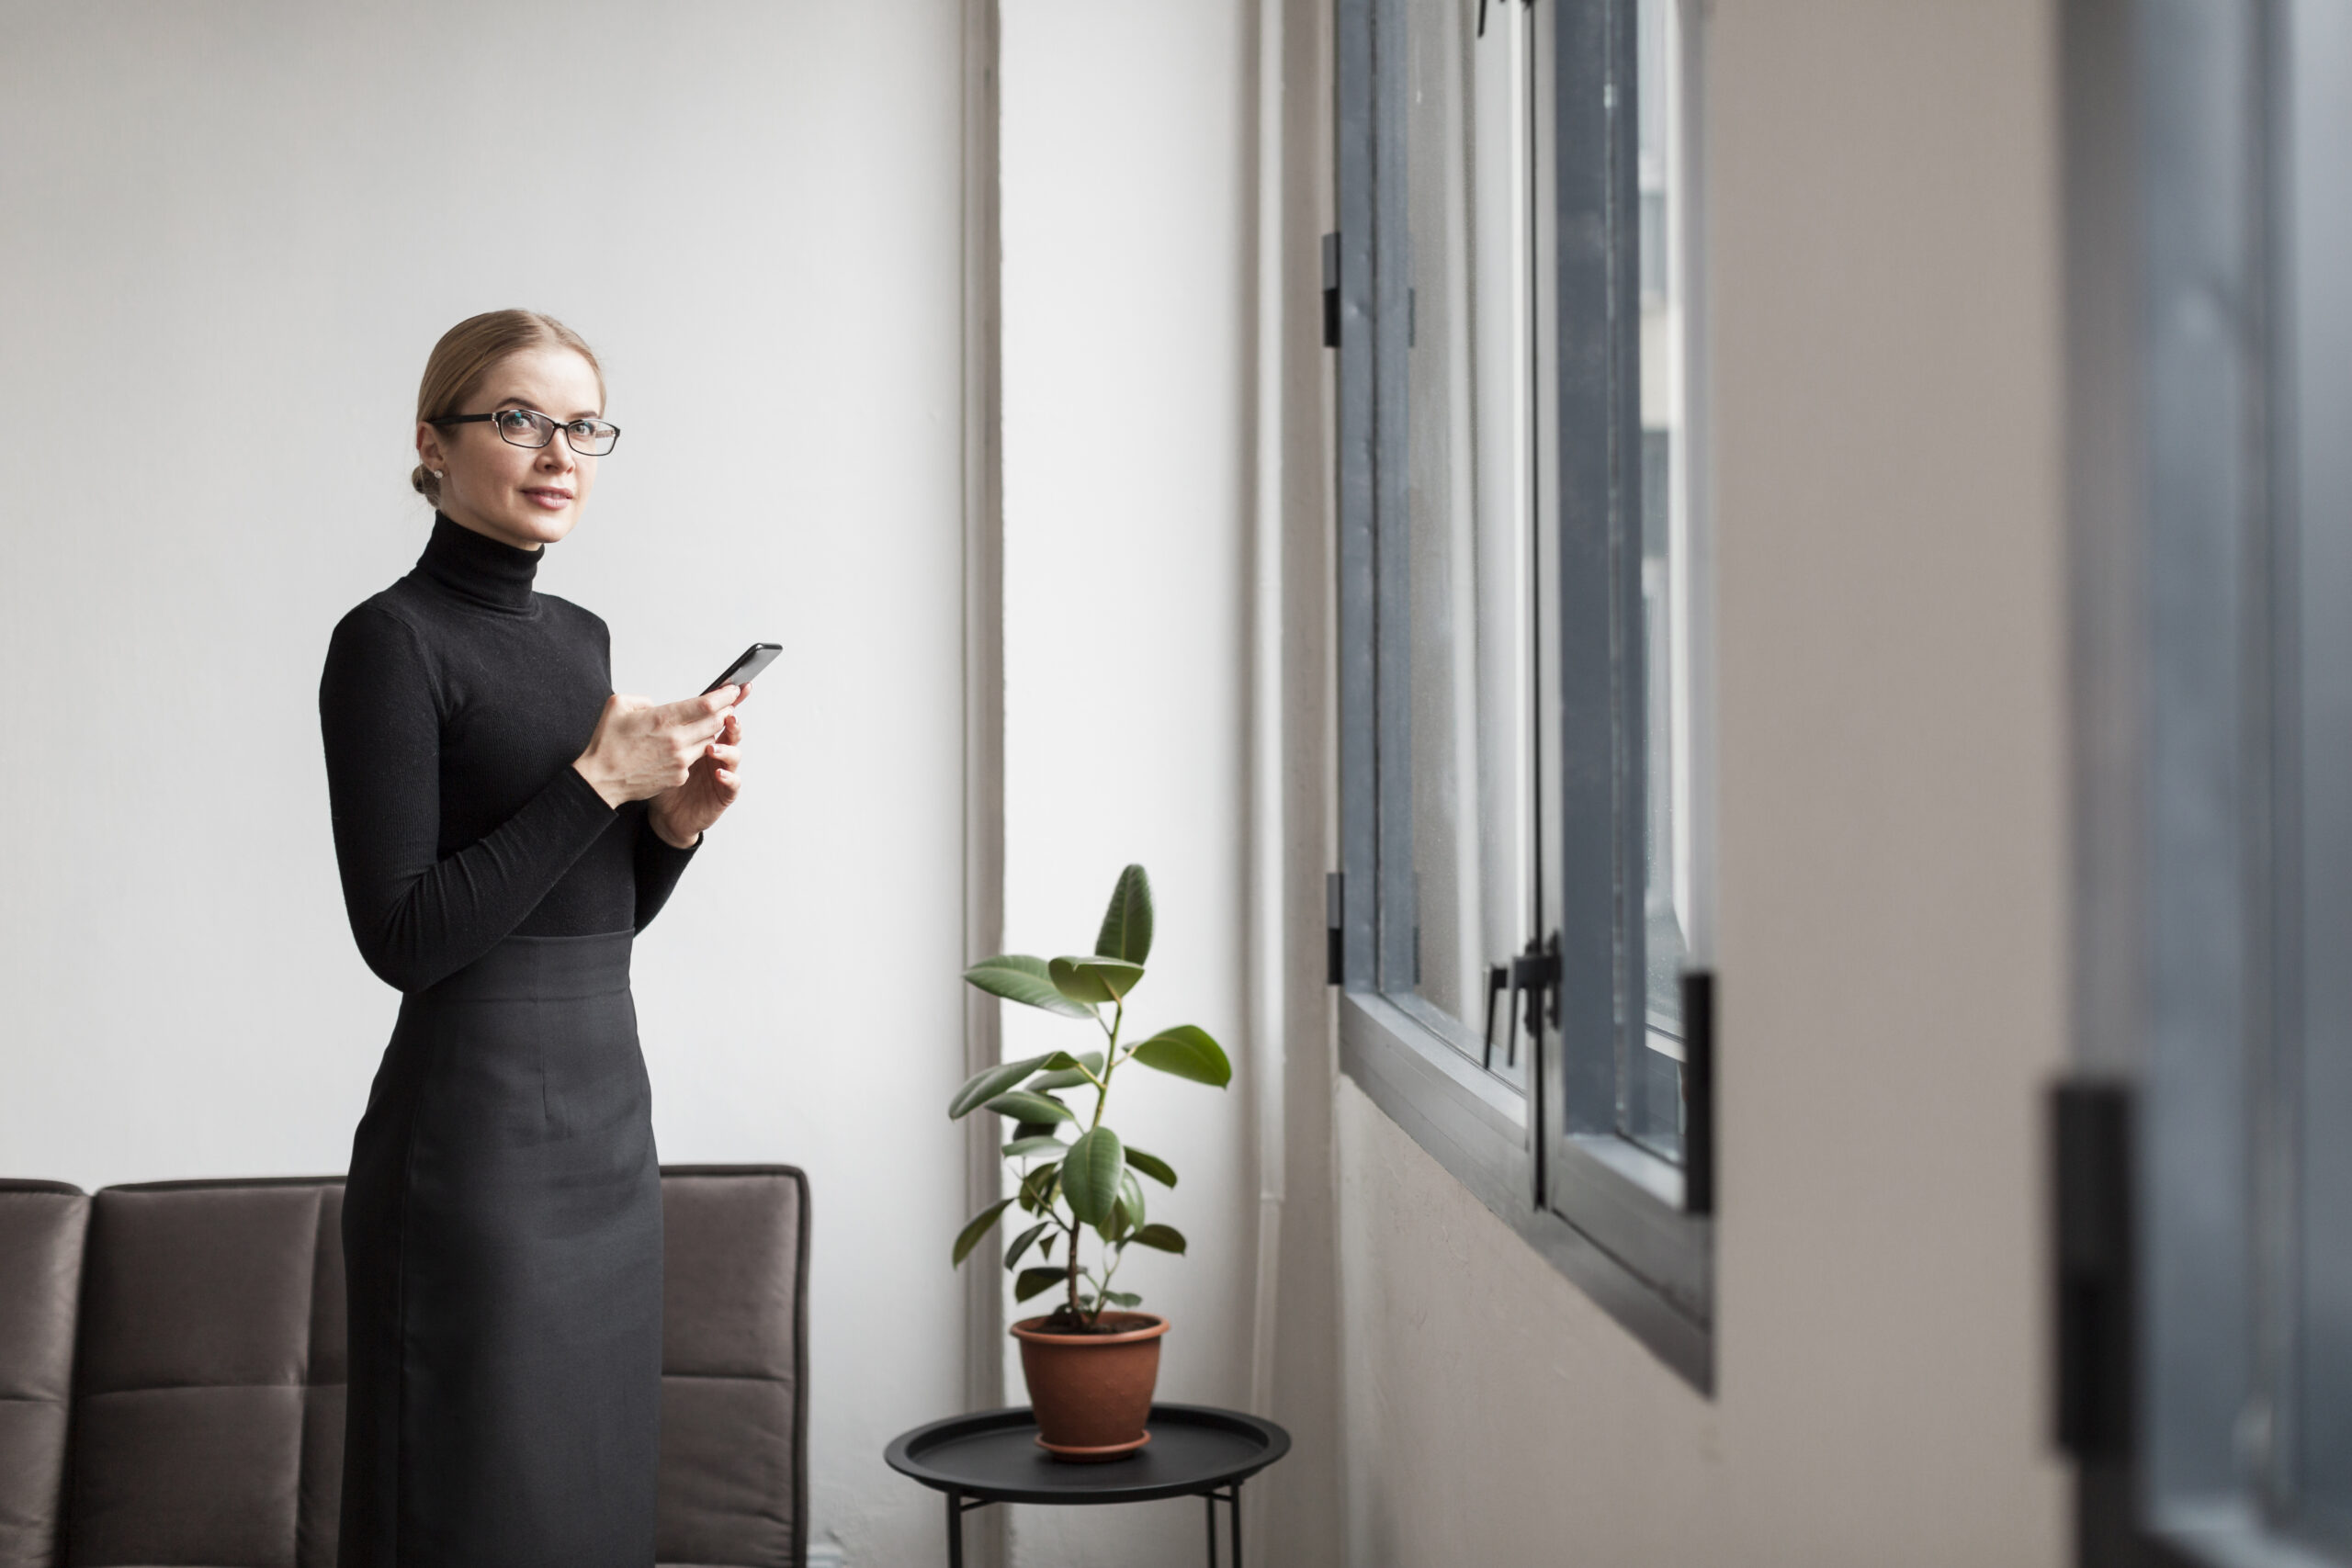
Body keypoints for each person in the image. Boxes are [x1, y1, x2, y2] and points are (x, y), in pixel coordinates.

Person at [318, 309, 747, 1567]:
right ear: (432, 446)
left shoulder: (581, 642)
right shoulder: (386, 644)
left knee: (589, 1509)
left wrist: (673, 826)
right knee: (472, 1507)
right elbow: (404, 938)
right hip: (473, 1149)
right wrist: (595, 786)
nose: (557, 452)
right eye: (517, 419)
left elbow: (589, 917)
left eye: (583, 426)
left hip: (610, 1129)